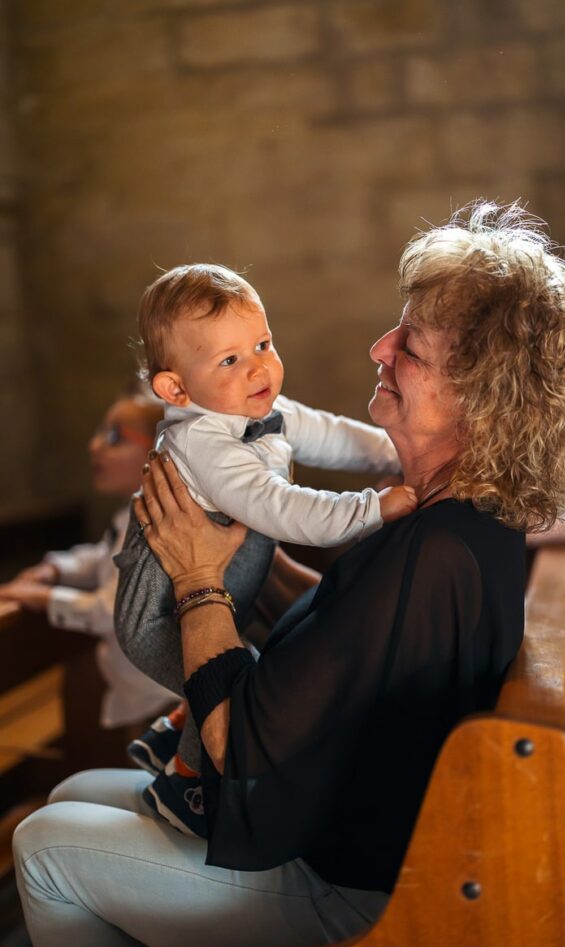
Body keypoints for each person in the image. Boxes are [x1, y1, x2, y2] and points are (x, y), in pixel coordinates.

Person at [12, 201, 565, 947]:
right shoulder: (455, 520)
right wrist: (242, 561)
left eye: (411, 346)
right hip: (332, 818)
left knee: (43, 846)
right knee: (73, 792)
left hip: (346, 883)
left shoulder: (437, 552)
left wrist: (200, 580)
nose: (379, 347)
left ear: (480, 393)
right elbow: (349, 631)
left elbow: (240, 743)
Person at [114, 263, 414, 835]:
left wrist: (394, 454)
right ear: (177, 390)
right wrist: (371, 507)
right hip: (159, 616)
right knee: (244, 682)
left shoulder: (252, 407)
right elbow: (281, 506)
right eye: (229, 359)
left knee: (259, 659)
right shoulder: (202, 438)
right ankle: (183, 787)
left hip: (224, 589)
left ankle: (172, 729)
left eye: (263, 343)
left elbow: (331, 433)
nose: (258, 366)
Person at [0, 394, 176, 739]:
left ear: (159, 454)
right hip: (144, 682)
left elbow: (113, 610)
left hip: (160, 693)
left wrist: (45, 597)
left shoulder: (153, 522)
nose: (94, 445)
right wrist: (56, 568)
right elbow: (103, 554)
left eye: (114, 437)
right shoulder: (134, 511)